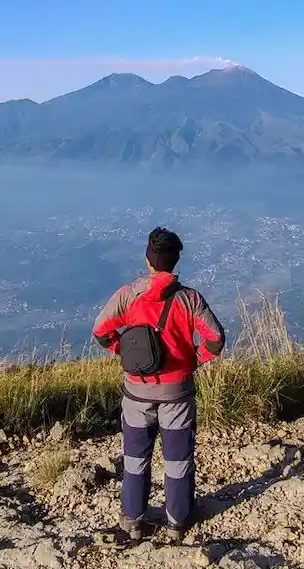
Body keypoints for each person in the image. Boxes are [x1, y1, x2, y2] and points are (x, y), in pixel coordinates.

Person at [93, 226, 226, 541]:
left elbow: (101, 331)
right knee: (178, 460)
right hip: (177, 393)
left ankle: (134, 521)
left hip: (136, 393)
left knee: (136, 458)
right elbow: (216, 339)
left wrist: (124, 353)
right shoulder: (190, 299)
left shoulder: (128, 296)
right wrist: (193, 359)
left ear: (148, 259)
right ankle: (177, 522)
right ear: (175, 261)